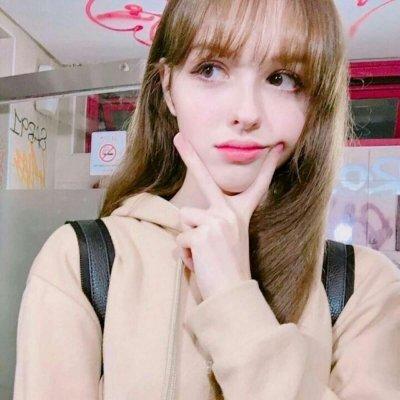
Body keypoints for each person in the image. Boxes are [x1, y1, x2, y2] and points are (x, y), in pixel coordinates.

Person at [14, 0, 400, 399]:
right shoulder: (81, 261)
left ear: (316, 102)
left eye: (282, 78)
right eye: (211, 70)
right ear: (168, 88)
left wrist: (233, 300)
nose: (246, 113)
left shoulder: (362, 287)